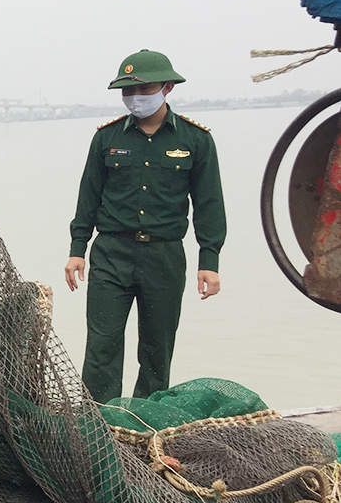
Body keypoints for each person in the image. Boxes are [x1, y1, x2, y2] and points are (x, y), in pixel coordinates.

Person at [64, 49, 226, 403]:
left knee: (156, 350)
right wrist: (78, 250)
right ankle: (101, 423)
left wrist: (209, 260)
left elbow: (209, 204)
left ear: (167, 87)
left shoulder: (195, 140)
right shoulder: (106, 139)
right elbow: (88, 197)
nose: (135, 98)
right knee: (102, 345)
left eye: (143, 89)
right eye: (127, 91)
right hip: (111, 254)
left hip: (164, 256)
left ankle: (145, 424)